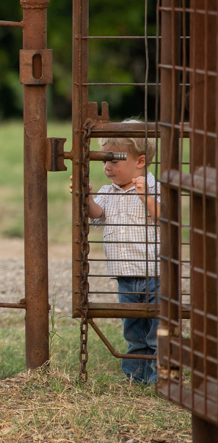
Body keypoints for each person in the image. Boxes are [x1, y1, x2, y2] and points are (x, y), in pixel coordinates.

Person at [81, 124, 161, 384]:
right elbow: (97, 215)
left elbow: (164, 217)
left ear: (140, 161)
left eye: (115, 159)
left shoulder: (154, 187)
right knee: (134, 329)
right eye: (104, 159)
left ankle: (162, 377)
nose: (107, 166)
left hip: (155, 274)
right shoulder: (107, 192)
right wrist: (85, 197)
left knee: (158, 331)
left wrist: (146, 197)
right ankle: (136, 376)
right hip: (125, 274)